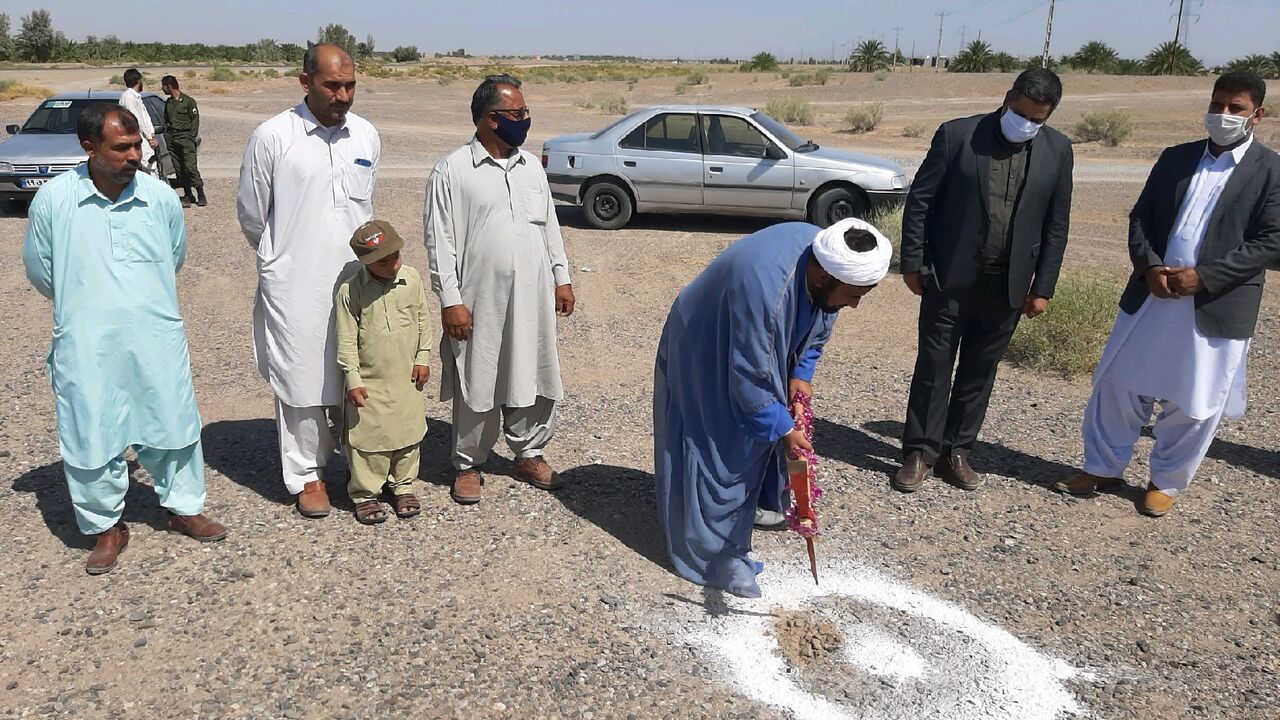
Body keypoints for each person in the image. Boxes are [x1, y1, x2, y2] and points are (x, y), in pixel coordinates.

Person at [1057, 72, 1280, 516]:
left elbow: (1271, 240)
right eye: (1217, 104)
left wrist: (1207, 277)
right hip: (1152, 295)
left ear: (1257, 115)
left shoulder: (1271, 169)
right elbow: (1140, 217)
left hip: (1217, 303)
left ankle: (1165, 482)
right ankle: (1102, 467)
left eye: (1235, 108)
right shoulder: (1176, 158)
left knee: (1196, 399)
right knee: (1117, 382)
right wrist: (1150, 265)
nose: (1222, 115)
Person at [22, 104, 227, 575]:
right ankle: (105, 526)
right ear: (89, 147)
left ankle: (182, 506)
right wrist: (91, 300)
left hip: (154, 333)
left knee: (172, 422)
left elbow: (173, 256)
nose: (135, 155)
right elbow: (41, 270)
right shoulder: (55, 199)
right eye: (122, 148)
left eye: (137, 145)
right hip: (87, 340)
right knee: (91, 431)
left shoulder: (159, 197)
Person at [654, 219, 892, 598]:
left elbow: (821, 317)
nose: (855, 304)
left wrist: (801, 370)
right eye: (853, 294)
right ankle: (715, 556)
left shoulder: (826, 257)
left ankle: (757, 505)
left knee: (765, 426)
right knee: (720, 447)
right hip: (705, 342)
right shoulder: (767, 292)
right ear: (819, 275)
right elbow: (751, 380)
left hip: (750, 341)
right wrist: (784, 429)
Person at [896, 67, 1074, 493]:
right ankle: (920, 452)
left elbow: (1056, 225)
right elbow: (921, 201)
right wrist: (913, 262)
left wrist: (1042, 287)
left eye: (1038, 119)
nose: (1027, 123)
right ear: (1008, 97)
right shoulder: (957, 135)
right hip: (948, 279)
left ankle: (957, 451)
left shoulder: (1058, 150)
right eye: (1022, 112)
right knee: (935, 366)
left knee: (980, 370)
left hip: (1007, 287)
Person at [236, 44, 381, 518]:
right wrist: (284, 259)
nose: (343, 95)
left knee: (355, 371)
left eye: (350, 85)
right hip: (296, 280)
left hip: (355, 277)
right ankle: (306, 475)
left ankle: (358, 463)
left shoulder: (366, 136)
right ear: (305, 82)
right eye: (332, 86)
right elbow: (253, 215)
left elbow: (363, 209)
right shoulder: (273, 137)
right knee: (301, 378)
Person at [424, 74, 574, 505]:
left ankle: (529, 451)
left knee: (535, 368)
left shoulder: (530, 168)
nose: (525, 121)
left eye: (525, 113)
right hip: (479, 298)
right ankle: (469, 463)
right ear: (491, 119)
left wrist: (561, 277)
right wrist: (451, 301)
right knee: (480, 374)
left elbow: (549, 227)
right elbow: (441, 241)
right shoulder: (452, 170)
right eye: (517, 114)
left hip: (533, 294)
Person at [335, 220, 431, 524]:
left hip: (405, 378)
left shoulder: (411, 279)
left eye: (395, 256)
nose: (392, 264)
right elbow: (346, 338)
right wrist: (352, 378)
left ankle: (402, 485)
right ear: (366, 262)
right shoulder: (351, 291)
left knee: (408, 433)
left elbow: (423, 319)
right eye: (382, 261)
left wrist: (423, 356)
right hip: (370, 382)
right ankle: (365, 493)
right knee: (368, 439)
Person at [161, 75, 205, 208]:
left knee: (190, 168)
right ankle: (188, 194)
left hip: (185, 139)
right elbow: (166, 121)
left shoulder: (188, 101)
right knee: (179, 169)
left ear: (169, 86)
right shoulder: (168, 103)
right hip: (173, 139)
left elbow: (195, 120)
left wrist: (191, 137)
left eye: (163, 86)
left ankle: (200, 194)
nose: (162, 89)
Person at [118, 68, 158, 176]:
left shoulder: (136, 97)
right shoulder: (128, 97)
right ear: (139, 81)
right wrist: (149, 137)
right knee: (149, 165)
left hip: (144, 137)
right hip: (137, 136)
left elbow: (145, 117)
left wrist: (151, 134)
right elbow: (137, 119)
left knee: (152, 165)